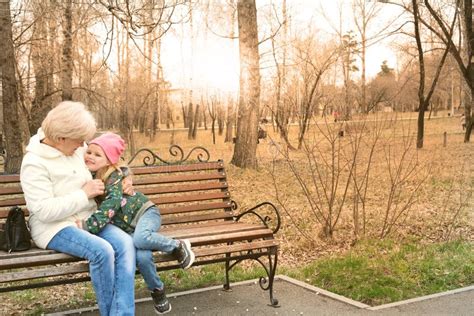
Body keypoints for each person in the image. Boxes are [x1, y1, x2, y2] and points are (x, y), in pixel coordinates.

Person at [20, 101, 136, 316]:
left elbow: (107, 162)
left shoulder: (75, 148)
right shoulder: (34, 163)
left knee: (126, 244)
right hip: (54, 228)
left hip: (88, 218)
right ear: (60, 138)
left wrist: (125, 178)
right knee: (102, 251)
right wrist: (83, 194)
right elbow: (43, 210)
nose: (83, 145)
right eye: (79, 140)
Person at [78, 132, 195, 314]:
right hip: (127, 228)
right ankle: (157, 290)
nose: (90, 156)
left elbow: (111, 204)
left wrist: (89, 226)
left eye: (97, 154)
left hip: (145, 214)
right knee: (140, 256)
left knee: (141, 239)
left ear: (109, 160)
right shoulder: (88, 172)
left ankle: (177, 245)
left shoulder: (114, 177)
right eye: (89, 152)